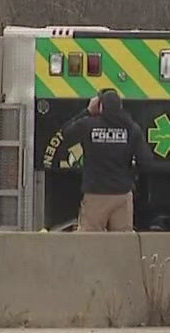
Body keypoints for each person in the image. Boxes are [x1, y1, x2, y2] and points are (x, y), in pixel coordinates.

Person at [43, 89, 139, 232]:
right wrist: (129, 177)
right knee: (122, 244)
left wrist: (87, 111)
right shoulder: (132, 128)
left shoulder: (87, 125)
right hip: (122, 195)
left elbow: (65, 134)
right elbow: (146, 161)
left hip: (95, 194)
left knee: (90, 242)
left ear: (100, 107)